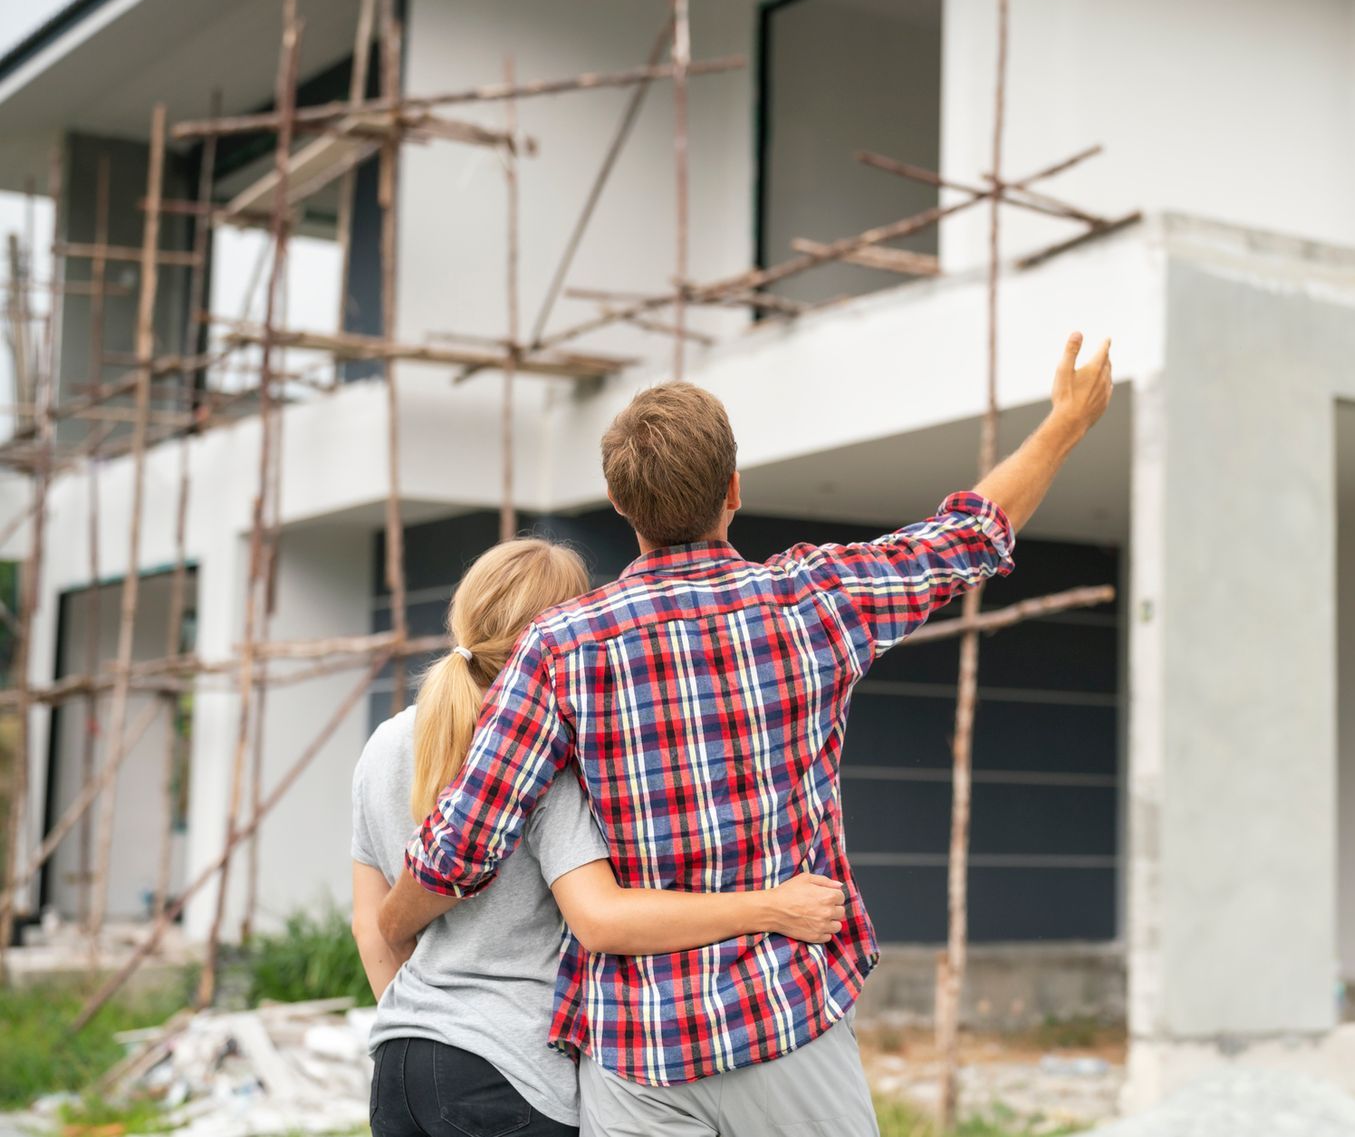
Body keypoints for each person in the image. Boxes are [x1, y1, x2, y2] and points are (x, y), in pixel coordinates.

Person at [381, 332, 1115, 1136]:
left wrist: (390, 924)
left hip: (640, 1053)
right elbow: (970, 533)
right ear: (734, 487)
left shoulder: (561, 646)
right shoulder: (810, 602)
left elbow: (464, 844)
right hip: (786, 1020)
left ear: (623, 508)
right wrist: (1066, 424)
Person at [351, 537, 851, 1137]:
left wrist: (425, 1029)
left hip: (399, 1065)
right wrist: (771, 906)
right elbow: (601, 919)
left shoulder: (383, 746)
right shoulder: (540, 754)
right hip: (511, 1074)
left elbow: (370, 921)